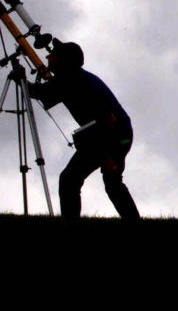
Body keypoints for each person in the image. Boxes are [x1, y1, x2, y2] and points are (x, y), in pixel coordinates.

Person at [28, 40, 140, 220]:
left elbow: (109, 120)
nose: (48, 57)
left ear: (62, 61)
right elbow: (43, 93)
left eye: (53, 55)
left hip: (112, 135)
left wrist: (109, 155)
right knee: (101, 182)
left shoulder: (70, 80)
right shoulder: (72, 77)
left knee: (78, 180)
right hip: (110, 133)